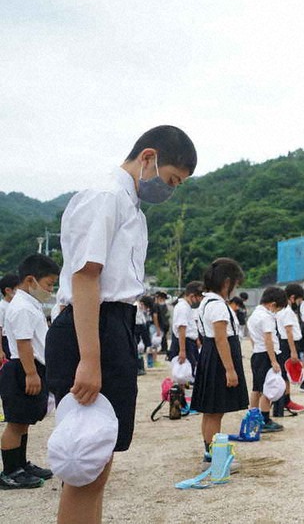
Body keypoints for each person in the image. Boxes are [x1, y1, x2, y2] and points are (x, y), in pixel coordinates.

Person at [45, 124, 196, 524]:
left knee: (99, 462)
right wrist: (90, 360)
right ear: (148, 157)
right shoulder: (106, 196)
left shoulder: (130, 206)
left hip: (114, 326)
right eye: (171, 180)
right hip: (91, 328)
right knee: (85, 463)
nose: (171, 190)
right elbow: (85, 277)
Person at [0, 254, 59, 489]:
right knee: (15, 422)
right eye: (49, 284)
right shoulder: (22, 307)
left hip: (30, 367)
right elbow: (24, 343)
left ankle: (21, 464)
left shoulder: (30, 304)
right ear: (31, 280)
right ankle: (10, 471)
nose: (50, 289)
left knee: (23, 421)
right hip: (22, 369)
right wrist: (31, 373)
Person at [192, 258, 249, 463]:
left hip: (210, 355)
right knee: (215, 410)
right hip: (218, 358)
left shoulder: (206, 301)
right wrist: (230, 369)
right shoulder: (217, 305)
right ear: (227, 282)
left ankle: (210, 450)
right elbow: (221, 338)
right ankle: (216, 454)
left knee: (211, 410)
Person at [246, 287, 286, 433]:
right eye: (277, 309)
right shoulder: (266, 317)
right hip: (266, 355)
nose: (276, 312)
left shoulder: (254, 315)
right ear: (272, 304)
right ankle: (264, 419)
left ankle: (253, 416)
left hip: (257, 354)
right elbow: (268, 339)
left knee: (256, 389)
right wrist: (273, 360)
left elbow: (252, 337)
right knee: (268, 389)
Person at [273, 284, 304, 416]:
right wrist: (293, 351)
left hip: (285, 343)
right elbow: (289, 331)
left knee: (284, 375)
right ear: (292, 298)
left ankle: (285, 401)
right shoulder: (286, 311)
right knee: (285, 374)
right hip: (288, 344)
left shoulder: (282, 311)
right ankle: (284, 402)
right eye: (298, 300)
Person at [168, 281, 204, 374]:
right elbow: (182, 329)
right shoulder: (182, 307)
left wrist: (197, 340)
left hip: (189, 343)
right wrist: (182, 350)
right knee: (184, 372)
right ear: (192, 296)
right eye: (198, 298)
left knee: (189, 371)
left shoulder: (187, 307)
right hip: (185, 343)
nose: (199, 301)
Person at [0, 273, 19, 363]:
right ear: (8, 290)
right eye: (17, 289)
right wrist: (0, 350)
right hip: (6, 341)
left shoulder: (16, 305)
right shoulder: (2, 307)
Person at [133, 297, 152, 376]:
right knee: (136, 350)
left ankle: (140, 367)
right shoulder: (136, 308)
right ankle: (137, 368)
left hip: (139, 332)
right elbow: (139, 325)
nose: (146, 309)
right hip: (136, 331)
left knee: (139, 351)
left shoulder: (141, 311)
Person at [153, 291, 170, 355]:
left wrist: (157, 327)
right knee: (164, 337)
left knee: (161, 338)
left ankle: (163, 349)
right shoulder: (165, 305)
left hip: (161, 324)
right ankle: (164, 348)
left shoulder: (156, 305)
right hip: (166, 323)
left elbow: (155, 316)